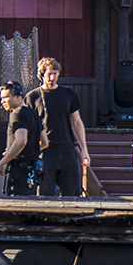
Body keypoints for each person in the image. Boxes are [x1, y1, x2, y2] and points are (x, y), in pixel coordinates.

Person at [30, 57, 90, 196]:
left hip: (66, 147)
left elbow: (76, 122)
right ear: (41, 75)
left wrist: (84, 150)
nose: (52, 77)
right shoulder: (33, 97)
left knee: (72, 189)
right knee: (44, 190)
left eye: (55, 73)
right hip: (44, 150)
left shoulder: (68, 94)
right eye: (49, 74)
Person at [0, 80, 41, 197]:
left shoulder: (17, 114)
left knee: (16, 206)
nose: (3, 101)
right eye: (1, 98)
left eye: (6, 97)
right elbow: (44, 142)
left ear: (18, 97)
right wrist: (14, 149)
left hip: (19, 170)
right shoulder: (33, 114)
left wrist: (4, 161)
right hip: (32, 170)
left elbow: (21, 140)